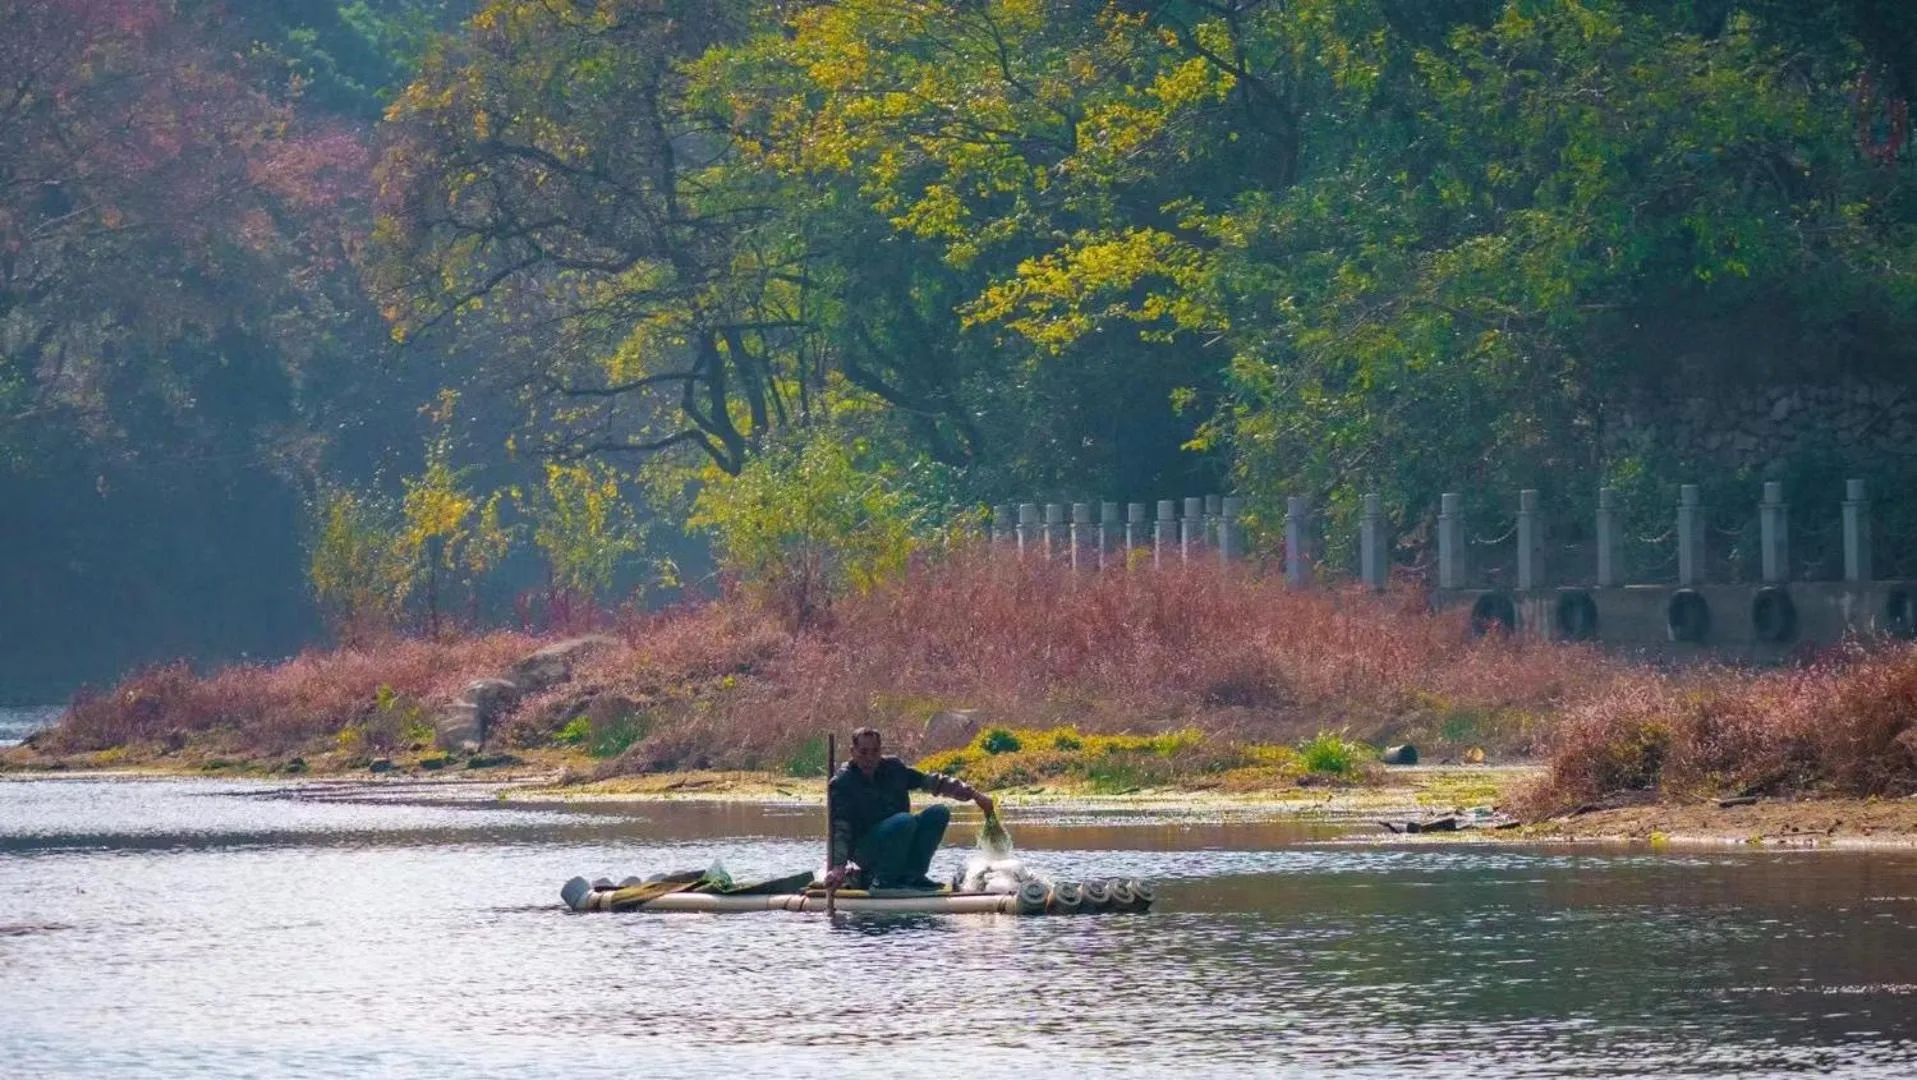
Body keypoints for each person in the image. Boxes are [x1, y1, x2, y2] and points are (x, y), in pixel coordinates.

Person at [821, 727, 995, 891]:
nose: (869, 758)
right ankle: (883, 879)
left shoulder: (894, 768)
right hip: (865, 850)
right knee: (904, 821)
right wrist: (838, 867)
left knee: (939, 812)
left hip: (901, 835)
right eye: (863, 752)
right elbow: (840, 830)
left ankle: (912, 876)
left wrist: (975, 796)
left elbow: (933, 782)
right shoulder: (842, 783)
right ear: (853, 752)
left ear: (881, 751)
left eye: (874, 752)